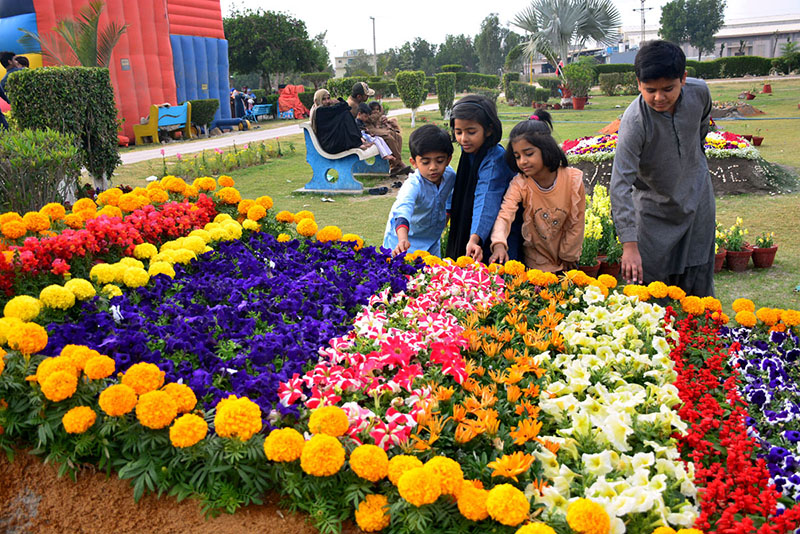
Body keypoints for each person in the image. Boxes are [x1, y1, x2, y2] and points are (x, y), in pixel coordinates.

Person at [610, 39, 715, 297]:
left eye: (668, 88)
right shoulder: (635, 122)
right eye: (650, 90)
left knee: (698, 282)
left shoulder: (700, 93)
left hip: (698, 202)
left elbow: (702, 129)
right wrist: (630, 246)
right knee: (650, 292)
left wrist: (692, 163)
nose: (659, 97)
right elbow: (619, 185)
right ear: (638, 84)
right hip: (654, 212)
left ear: (684, 78)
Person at [489, 112, 585, 272]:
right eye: (517, 156)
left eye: (529, 154)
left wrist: (568, 255)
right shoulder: (520, 183)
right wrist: (499, 243)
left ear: (546, 149)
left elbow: (576, 222)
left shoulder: (572, 180)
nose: (522, 161)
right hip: (534, 264)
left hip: (566, 262)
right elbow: (505, 215)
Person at [446, 94, 521, 262]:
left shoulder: (494, 159)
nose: (463, 139)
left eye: (471, 132)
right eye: (458, 132)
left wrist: (474, 238)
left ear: (489, 130)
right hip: (479, 231)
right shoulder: (470, 152)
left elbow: (486, 197)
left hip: (498, 235)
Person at [383, 124, 456, 257]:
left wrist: (447, 213)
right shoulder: (413, 185)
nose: (433, 167)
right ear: (414, 162)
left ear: (448, 160)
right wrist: (403, 239)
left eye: (439, 161)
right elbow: (403, 211)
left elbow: (451, 195)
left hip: (432, 240)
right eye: (426, 162)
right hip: (403, 242)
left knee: (433, 275)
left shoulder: (450, 176)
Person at [365, 101, 409, 177]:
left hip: (378, 130)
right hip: (370, 131)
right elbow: (372, 120)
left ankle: (395, 165)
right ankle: (398, 162)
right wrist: (380, 113)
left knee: (398, 136)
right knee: (389, 138)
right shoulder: (368, 115)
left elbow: (378, 122)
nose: (376, 111)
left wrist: (383, 119)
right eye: (374, 109)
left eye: (378, 109)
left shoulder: (377, 115)